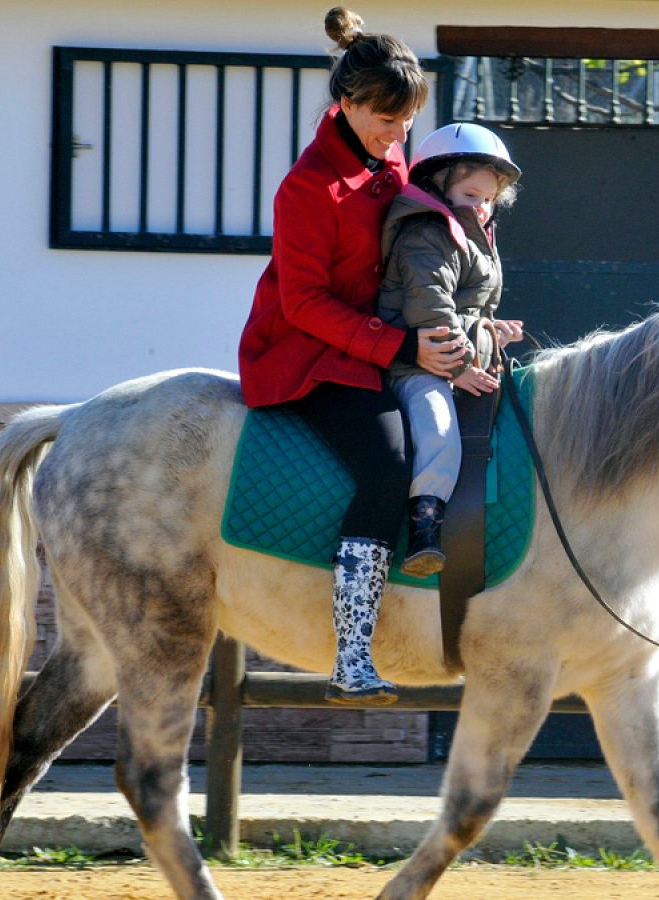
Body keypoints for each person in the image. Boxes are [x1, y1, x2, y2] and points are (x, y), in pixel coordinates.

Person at [237, 7, 468, 705]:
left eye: (405, 123)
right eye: (384, 120)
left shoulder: (389, 155)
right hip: (306, 357)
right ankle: (353, 653)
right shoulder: (305, 189)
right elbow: (303, 304)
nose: (397, 136)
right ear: (345, 103)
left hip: (373, 346)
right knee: (388, 464)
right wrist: (402, 344)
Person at [376, 123, 524, 575]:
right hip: (419, 364)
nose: (480, 208)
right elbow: (431, 305)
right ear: (436, 184)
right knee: (438, 428)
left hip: (456, 358)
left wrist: (489, 330)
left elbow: (468, 306)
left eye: (487, 200)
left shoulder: (474, 234)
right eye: (470, 196)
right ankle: (424, 526)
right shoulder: (426, 233)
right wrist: (459, 367)